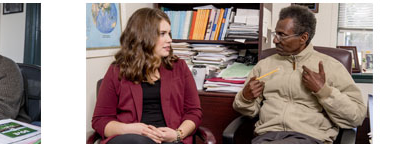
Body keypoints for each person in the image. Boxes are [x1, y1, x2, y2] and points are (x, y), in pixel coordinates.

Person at [234, 5, 365, 144]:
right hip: (266, 137)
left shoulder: (331, 66)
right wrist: (245, 98)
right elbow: (248, 110)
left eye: (282, 35)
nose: (275, 40)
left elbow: (356, 116)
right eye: (275, 34)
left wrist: (324, 91)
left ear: (303, 38)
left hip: (309, 138)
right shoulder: (264, 65)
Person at [92, 8, 202, 144]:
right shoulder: (117, 70)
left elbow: (194, 112)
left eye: (169, 33)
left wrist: (177, 134)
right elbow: (100, 120)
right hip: (130, 139)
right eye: (162, 34)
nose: (169, 39)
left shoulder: (179, 67)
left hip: (170, 140)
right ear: (144, 36)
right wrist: (130, 129)